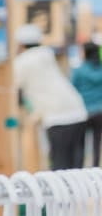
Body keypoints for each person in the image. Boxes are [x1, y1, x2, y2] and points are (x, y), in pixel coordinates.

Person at [12, 23, 87, 169]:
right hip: (78, 109)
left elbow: (14, 89)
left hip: (57, 116)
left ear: (20, 43)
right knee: (76, 167)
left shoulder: (21, 62)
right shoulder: (47, 53)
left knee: (59, 166)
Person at [72, 41, 102, 166]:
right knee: (97, 142)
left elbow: (73, 89)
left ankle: (80, 169)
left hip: (83, 111)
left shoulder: (79, 71)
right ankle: (95, 168)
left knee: (80, 143)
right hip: (100, 111)